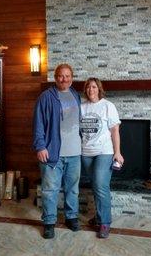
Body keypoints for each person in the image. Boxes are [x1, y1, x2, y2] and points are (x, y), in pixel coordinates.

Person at [33, 63, 81, 239]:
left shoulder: (75, 95)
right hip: (53, 153)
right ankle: (49, 222)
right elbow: (38, 123)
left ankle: (71, 217)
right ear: (55, 78)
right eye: (61, 76)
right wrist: (40, 146)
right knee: (50, 189)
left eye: (68, 76)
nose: (64, 79)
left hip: (75, 152)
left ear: (72, 78)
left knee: (73, 189)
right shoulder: (46, 97)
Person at [80, 77, 124, 239]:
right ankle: (99, 216)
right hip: (86, 153)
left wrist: (117, 152)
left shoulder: (107, 106)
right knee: (97, 186)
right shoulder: (81, 107)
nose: (91, 90)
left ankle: (105, 222)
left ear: (99, 89)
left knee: (100, 184)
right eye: (88, 87)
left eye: (94, 87)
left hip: (104, 151)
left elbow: (114, 131)